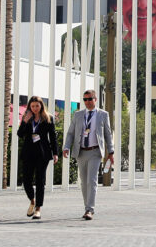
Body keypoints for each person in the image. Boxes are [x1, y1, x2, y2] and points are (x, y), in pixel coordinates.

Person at [63, 89, 114, 221]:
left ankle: (89, 209)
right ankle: (87, 206)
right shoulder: (78, 115)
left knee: (92, 180)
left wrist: (111, 152)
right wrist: (66, 146)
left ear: (95, 99)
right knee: (84, 182)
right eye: (85, 99)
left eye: (90, 99)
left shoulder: (103, 114)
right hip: (81, 151)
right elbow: (70, 133)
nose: (87, 102)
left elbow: (108, 134)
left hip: (95, 151)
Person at [17, 95, 59, 220]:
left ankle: (38, 209)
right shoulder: (26, 118)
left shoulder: (48, 118)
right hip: (28, 153)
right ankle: (32, 200)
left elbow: (53, 137)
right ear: (30, 106)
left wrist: (55, 153)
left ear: (41, 106)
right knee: (26, 181)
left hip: (43, 153)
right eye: (33, 106)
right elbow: (20, 134)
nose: (35, 108)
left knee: (40, 181)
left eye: (37, 106)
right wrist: (25, 121)